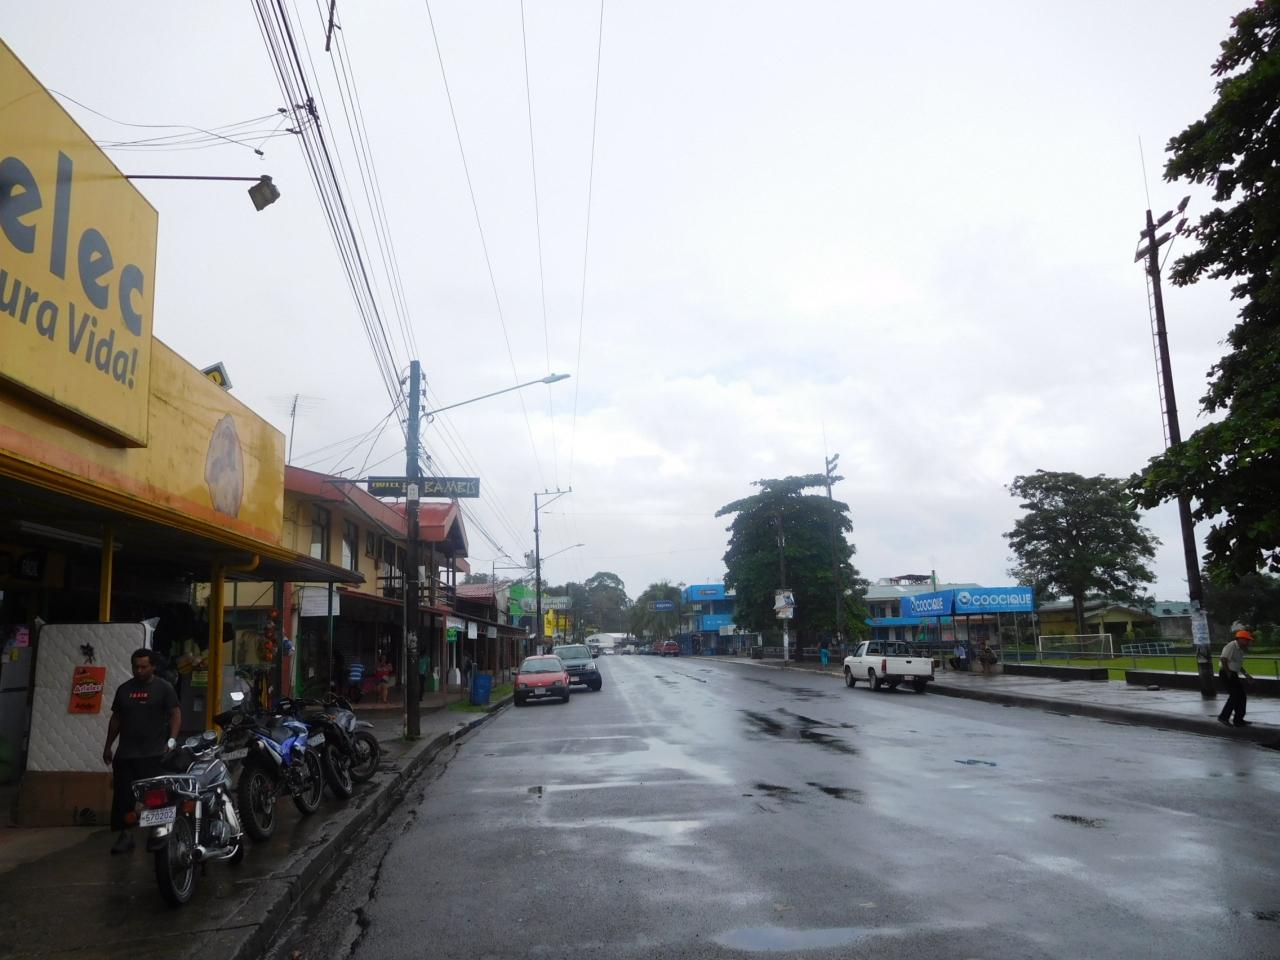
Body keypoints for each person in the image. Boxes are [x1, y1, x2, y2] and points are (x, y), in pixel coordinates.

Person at [102, 648, 181, 854]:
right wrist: (108, 746)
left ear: (153, 666)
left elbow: (175, 714)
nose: (139, 671)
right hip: (126, 754)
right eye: (135, 667)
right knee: (123, 798)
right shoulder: (124, 690)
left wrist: (171, 740)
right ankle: (126, 835)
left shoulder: (164, 688)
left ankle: (157, 833)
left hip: (153, 754)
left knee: (155, 796)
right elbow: (116, 719)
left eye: (144, 667)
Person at [1218, 628, 1254, 727]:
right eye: (1247, 640)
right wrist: (1228, 673)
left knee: (1241, 696)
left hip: (1233, 673)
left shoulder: (1240, 650)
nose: (1248, 642)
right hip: (1226, 673)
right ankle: (1223, 717)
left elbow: (1238, 665)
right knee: (1235, 696)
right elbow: (1223, 659)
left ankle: (1238, 720)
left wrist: (1247, 675)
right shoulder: (1231, 646)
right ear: (1240, 639)